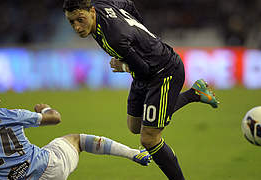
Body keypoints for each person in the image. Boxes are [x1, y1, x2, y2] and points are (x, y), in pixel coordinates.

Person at [63, 0, 219, 179]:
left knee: (149, 138)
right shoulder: (102, 5)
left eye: (80, 20)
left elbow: (144, 70)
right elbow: (128, 4)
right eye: (71, 22)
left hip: (164, 72)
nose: (76, 27)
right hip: (145, 73)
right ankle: (194, 93)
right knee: (135, 126)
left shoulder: (114, 38)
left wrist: (122, 66)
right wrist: (140, 33)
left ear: (91, 11)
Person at [0, 80, 151, 180]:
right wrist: (44, 109)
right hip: (47, 169)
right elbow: (55, 118)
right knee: (77, 139)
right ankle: (135, 154)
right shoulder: (7, 114)